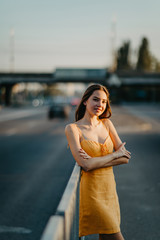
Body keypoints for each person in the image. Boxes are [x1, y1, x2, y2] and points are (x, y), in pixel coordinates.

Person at [65, 84, 131, 240]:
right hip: (91, 193)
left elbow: (125, 158)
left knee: (105, 235)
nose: (100, 105)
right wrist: (114, 155)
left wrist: (98, 161)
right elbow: (85, 164)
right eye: (95, 99)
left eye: (103, 102)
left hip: (109, 190)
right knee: (114, 235)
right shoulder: (73, 129)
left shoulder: (107, 124)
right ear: (85, 101)